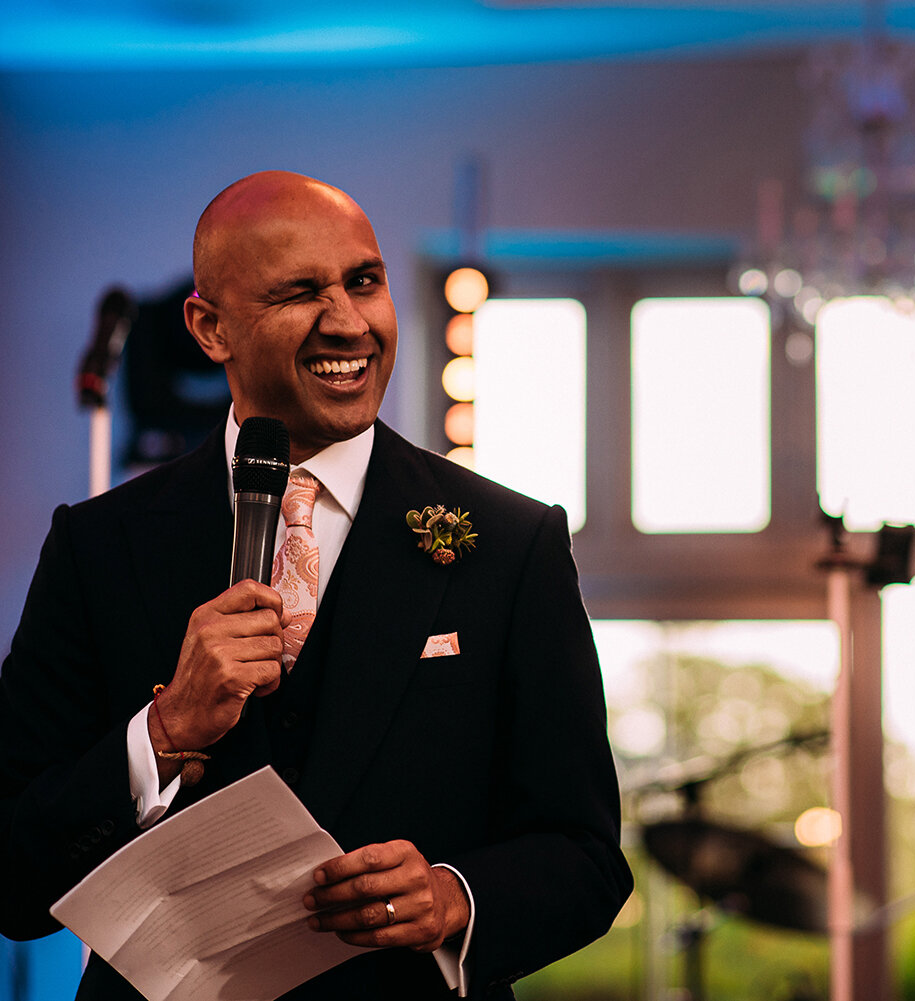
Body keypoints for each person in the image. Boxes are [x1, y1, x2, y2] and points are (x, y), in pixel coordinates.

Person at [0, 171, 632, 999]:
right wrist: (163, 730)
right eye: (300, 292)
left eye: (363, 282)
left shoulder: (512, 545)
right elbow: (11, 877)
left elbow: (585, 855)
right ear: (209, 326)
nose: (348, 322)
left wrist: (454, 897)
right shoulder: (97, 545)